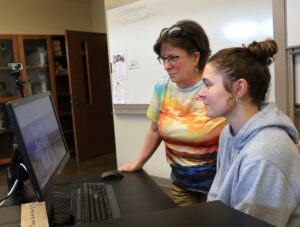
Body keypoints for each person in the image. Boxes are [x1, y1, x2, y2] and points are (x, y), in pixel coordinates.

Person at [118, 20, 227, 206]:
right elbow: (155, 130)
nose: (166, 66)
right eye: (163, 59)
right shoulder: (163, 87)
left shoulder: (218, 86)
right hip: (181, 184)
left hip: (221, 186)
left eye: (173, 58)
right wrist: (138, 163)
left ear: (195, 57)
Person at [200, 39, 300, 226]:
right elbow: (216, 195)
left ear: (239, 88)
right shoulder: (229, 134)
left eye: (208, 84)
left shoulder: (265, 153)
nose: (200, 94)